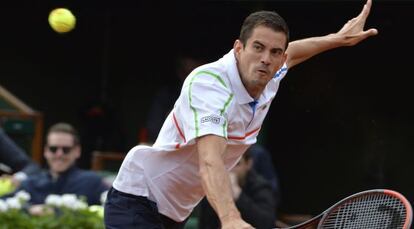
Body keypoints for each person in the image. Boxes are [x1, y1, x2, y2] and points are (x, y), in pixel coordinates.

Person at [104, 1, 378, 228]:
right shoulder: (209, 85)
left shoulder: (272, 72)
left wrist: (338, 39)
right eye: (257, 47)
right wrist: (231, 218)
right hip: (138, 198)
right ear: (238, 48)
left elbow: (293, 52)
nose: (265, 58)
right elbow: (210, 160)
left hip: (174, 210)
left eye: (274, 52)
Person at [4, 122, 109, 207]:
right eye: (53, 149)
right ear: (46, 151)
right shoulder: (30, 184)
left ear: (77, 151)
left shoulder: (92, 182)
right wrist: (29, 210)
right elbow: (4, 204)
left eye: (66, 149)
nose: (59, 154)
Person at [198, 148, 276, 229]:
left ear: (248, 163)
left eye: (236, 164)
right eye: (225, 164)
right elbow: (205, 224)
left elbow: (267, 223)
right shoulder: (212, 186)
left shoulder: (261, 186)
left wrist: (238, 195)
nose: (230, 168)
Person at [144, 54, 205, 143]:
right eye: (187, 73)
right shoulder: (167, 95)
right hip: (170, 148)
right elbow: (153, 129)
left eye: (196, 73)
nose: (192, 79)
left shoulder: (213, 96)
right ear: (180, 73)